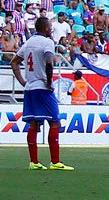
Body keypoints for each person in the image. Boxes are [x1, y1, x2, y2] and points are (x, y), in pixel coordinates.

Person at [18, 13, 71, 172]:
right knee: (55, 122)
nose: (51, 30)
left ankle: (34, 162)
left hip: (30, 88)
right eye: (50, 27)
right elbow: (49, 62)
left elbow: (14, 63)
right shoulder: (47, 42)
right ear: (46, 28)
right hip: (42, 87)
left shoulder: (28, 43)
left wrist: (23, 82)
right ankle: (55, 161)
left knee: (33, 123)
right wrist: (49, 82)